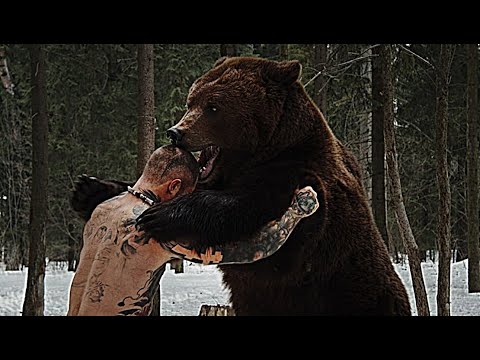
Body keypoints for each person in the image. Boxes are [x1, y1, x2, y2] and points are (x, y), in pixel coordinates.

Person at [68, 145, 318, 316]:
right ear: (174, 187)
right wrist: (296, 212)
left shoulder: (104, 207)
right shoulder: (157, 231)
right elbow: (253, 250)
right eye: (185, 196)